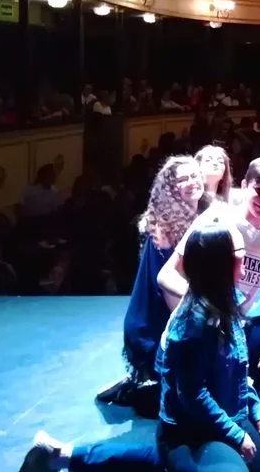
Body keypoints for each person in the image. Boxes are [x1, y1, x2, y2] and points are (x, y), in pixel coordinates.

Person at [20, 223, 260, 472]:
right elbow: (193, 395)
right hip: (192, 432)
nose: (246, 263)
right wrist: (236, 435)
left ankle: (62, 454)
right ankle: (64, 455)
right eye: (239, 256)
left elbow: (239, 371)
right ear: (219, 264)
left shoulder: (228, 303)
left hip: (229, 419)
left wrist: (255, 411)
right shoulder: (193, 325)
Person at [158, 157, 260, 437]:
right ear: (245, 185)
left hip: (231, 336)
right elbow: (166, 275)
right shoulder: (217, 220)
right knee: (191, 431)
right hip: (197, 335)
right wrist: (208, 302)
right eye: (259, 191)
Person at [96, 156, 203, 415]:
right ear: (170, 187)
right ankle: (131, 389)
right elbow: (165, 283)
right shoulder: (163, 224)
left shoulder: (196, 214)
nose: (191, 183)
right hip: (157, 317)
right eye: (182, 179)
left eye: (193, 176)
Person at [194, 145, 234, 210]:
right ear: (198, 166)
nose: (215, 163)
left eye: (220, 162)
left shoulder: (231, 201)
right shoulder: (191, 198)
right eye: (208, 160)